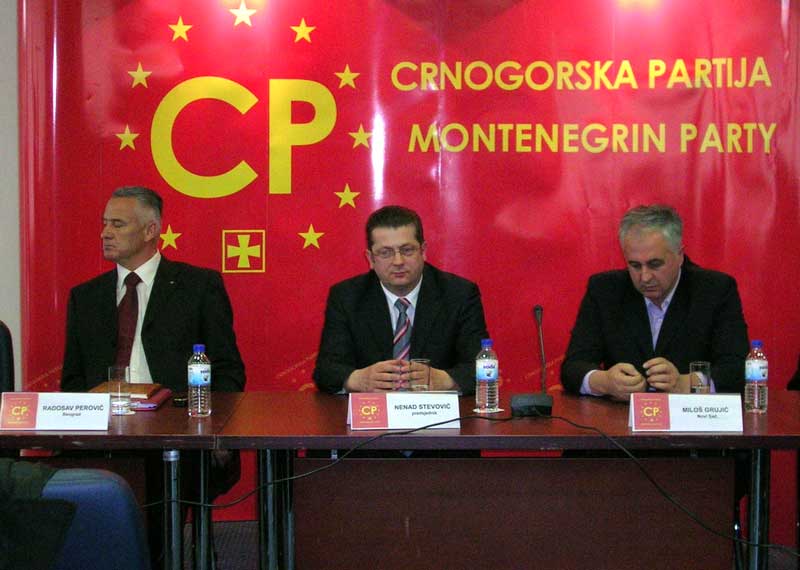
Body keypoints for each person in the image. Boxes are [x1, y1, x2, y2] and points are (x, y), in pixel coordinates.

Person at [60, 185, 245, 565]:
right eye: (104, 223)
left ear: (150, 230)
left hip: (176, 432)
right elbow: (73, 381)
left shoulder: (197, 286)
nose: (105, 233)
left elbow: (228, 370)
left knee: (155, 508)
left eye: (118, 224)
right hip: (104, 434)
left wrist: (213, 428)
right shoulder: (86, 297)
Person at [561, 204, 749, 399]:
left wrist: (685, 384)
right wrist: (605, 382)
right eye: (635, 265)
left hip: (691, 417)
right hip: (621, 416)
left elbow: (737, 370)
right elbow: (572, 367)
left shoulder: (714, 291)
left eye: (655, 264)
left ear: (679, 255)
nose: (645, 277)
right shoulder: (605, 290)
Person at [313, 205, 489, 394]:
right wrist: (356, 379)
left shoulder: (459, 294)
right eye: (385, 253)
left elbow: (483, 365)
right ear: (370, 258)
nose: (398, 262)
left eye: (407, 250)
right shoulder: (346, 297)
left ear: (423, 251)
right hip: (372, 410)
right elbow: (326, 370)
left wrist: (446, 380)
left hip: (435, 410)